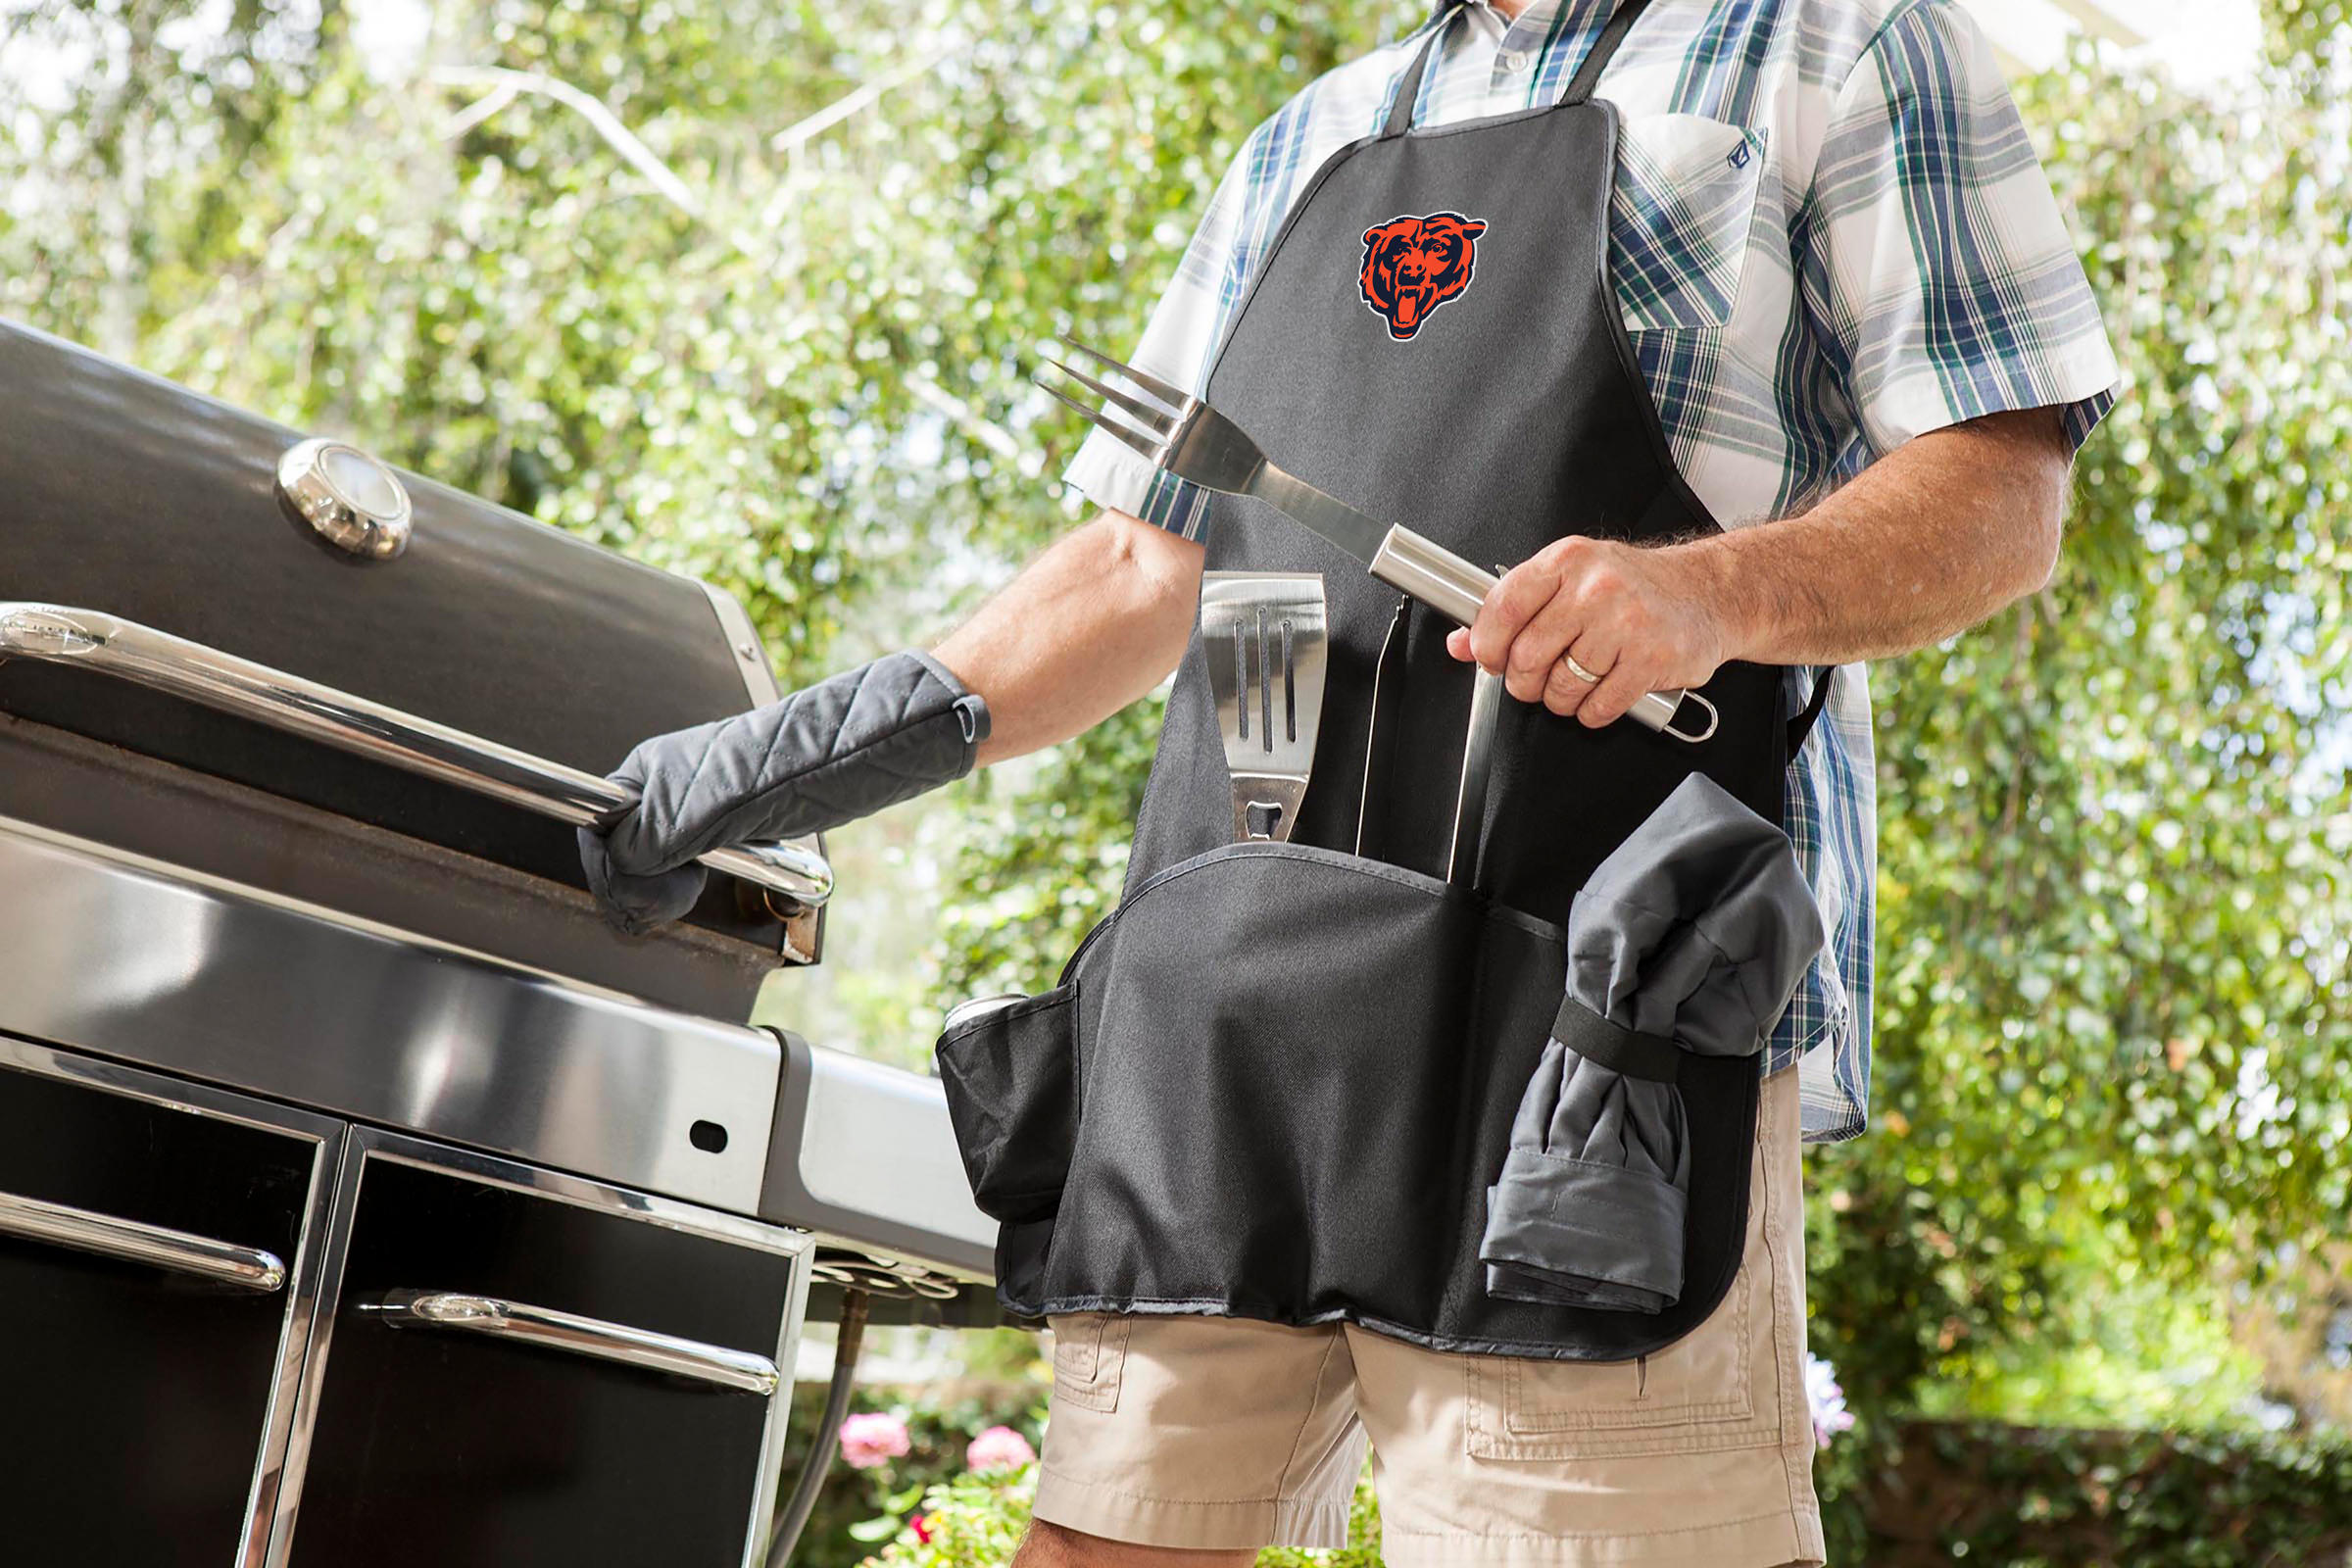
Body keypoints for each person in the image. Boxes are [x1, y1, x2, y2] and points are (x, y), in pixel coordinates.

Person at [580, 2, 2120, 1563]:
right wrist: (792, 758)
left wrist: (1708, 598)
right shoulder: (1317, 134)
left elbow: (2002, 490)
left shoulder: (1835, 48)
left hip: (1585, 1038)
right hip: (1223, 1027)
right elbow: (1141, 563)